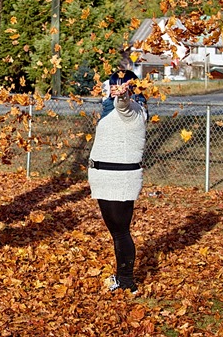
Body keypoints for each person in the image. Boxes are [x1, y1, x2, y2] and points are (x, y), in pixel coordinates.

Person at [88, 69, 147, 293]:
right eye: (113, 87)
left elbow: (124, 105)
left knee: (120, 232)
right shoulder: (110, 110)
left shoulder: (133, 110)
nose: (114, 91)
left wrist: (123, 95)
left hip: (118, 180)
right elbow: (112, 103)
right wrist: (113, 92)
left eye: (119, 86)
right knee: (118, 232)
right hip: (107, 178)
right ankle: (123, 278)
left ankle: (126, 280)